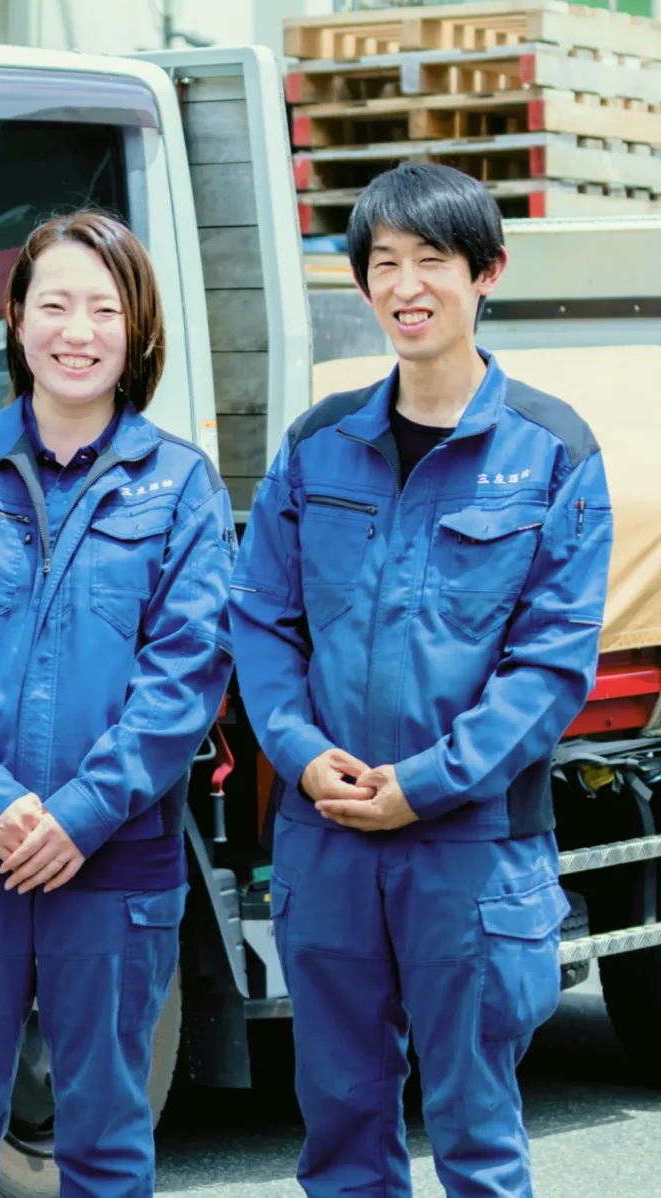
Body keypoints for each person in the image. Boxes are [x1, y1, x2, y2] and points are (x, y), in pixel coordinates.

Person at [230, 162, 613, 1196]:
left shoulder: (551, 451)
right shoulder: (317, 447)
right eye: (384, 264)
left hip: (469, 845)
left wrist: (426, 785)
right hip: (331, 836)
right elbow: (261, 621)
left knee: (479, 1137)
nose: (407, 286)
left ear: (486, 272)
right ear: (361, 287)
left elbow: (551, 663)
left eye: (431, 261)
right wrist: (305, 761)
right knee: (343, 1135)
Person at [0, 210, 235, 1197]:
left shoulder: (182, 489)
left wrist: (80, 812)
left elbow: (187, 671)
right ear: (19, 321)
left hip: (115, 861)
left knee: (109, 1136)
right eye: (56, 305)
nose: (79, 331)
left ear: (138, 331)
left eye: (104, 309)